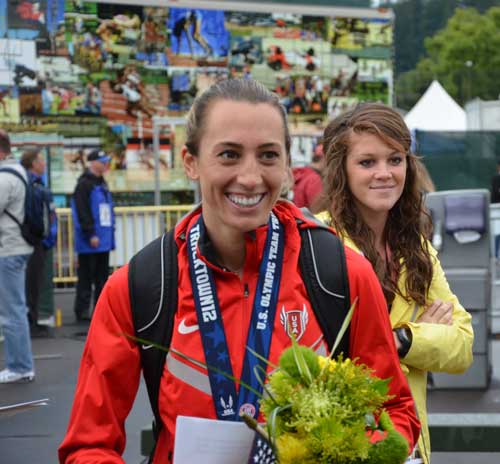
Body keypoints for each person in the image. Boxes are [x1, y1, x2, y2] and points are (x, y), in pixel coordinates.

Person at [58, 79, 419, 463]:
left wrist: (351, 453)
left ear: (287, 166)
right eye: (229, 155)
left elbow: (395, 410)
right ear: (191, 162)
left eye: (268, 155)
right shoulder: (141, 286)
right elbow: (88, 446)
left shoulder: (340, 273)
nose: (250, 177)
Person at [317, 102, 474, 464]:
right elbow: (322, 356)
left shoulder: (415, 247)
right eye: (367, 162)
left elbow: (463, 345)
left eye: (395, 159)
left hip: (410, 447)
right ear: (341, 169)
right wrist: (416, 340)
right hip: (342, 443)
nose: (384, 173)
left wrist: (403, 340)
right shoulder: (319, 241)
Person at [0, 130, 35, 383]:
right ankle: (20, 364)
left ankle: (20, 366)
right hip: (18, 246)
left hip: (8, 249)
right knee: (14, 308)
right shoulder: (18, 171)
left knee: (12, 310)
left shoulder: (4, 178)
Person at [71, 149, 115, 322]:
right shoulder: (84, 184)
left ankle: (99, 310)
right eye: (103, 161)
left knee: (101, 277)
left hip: (103, 239)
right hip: (90, 240)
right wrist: (90, 233)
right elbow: (82, 211)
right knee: (86, 277)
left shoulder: (102, 183)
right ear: (93, 163)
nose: (106, 164)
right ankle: (82, 311)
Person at [21, 148, 57, 338]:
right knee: (31, 284)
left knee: (34, 283)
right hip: (36, 242)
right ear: (33, 163)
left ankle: (33, 320)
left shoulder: (36, 184)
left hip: (39, 241)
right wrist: (42, 238)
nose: (44, 164)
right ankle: (31, 322)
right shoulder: (31, 185)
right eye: (41, 160)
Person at [292, 141, 326, 212]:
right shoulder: (314, 179)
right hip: (308, 217)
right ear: (323, 159)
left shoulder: (304, 174)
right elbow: (317, 211)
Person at [492, 160, 500, 257]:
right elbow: (495, 194)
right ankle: (496, 256)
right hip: (497, 210)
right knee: (497, 233)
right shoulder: (496, 178)